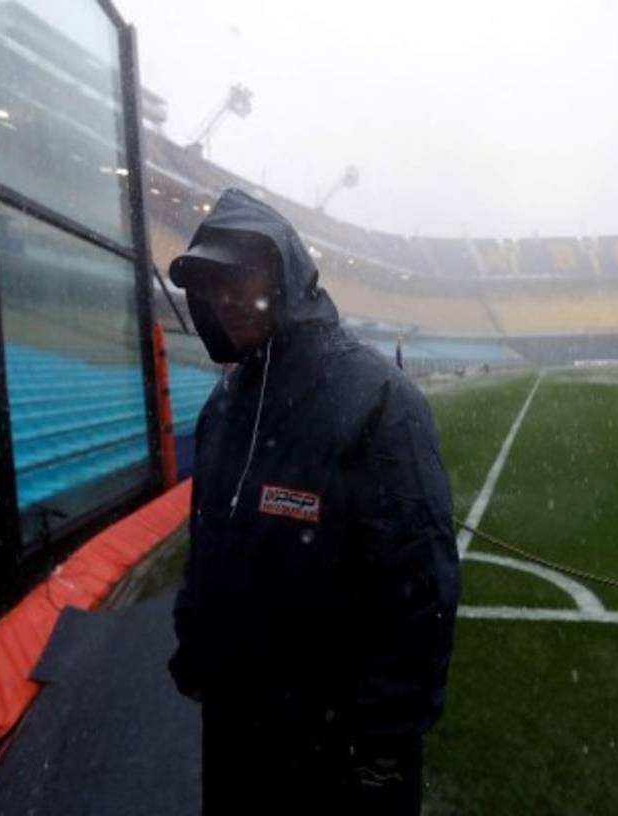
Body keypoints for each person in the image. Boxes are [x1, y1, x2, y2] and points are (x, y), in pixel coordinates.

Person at [166, 188, 460, 815]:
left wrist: (384, 742)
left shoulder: (379, 399)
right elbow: (208, 541)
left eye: (245, 274)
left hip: (341, 747)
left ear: (288, 275)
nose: (229, 296)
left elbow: (420, 584)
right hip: (237, 729)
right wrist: (196, 641)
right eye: (215, 281)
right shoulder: (224, 404)